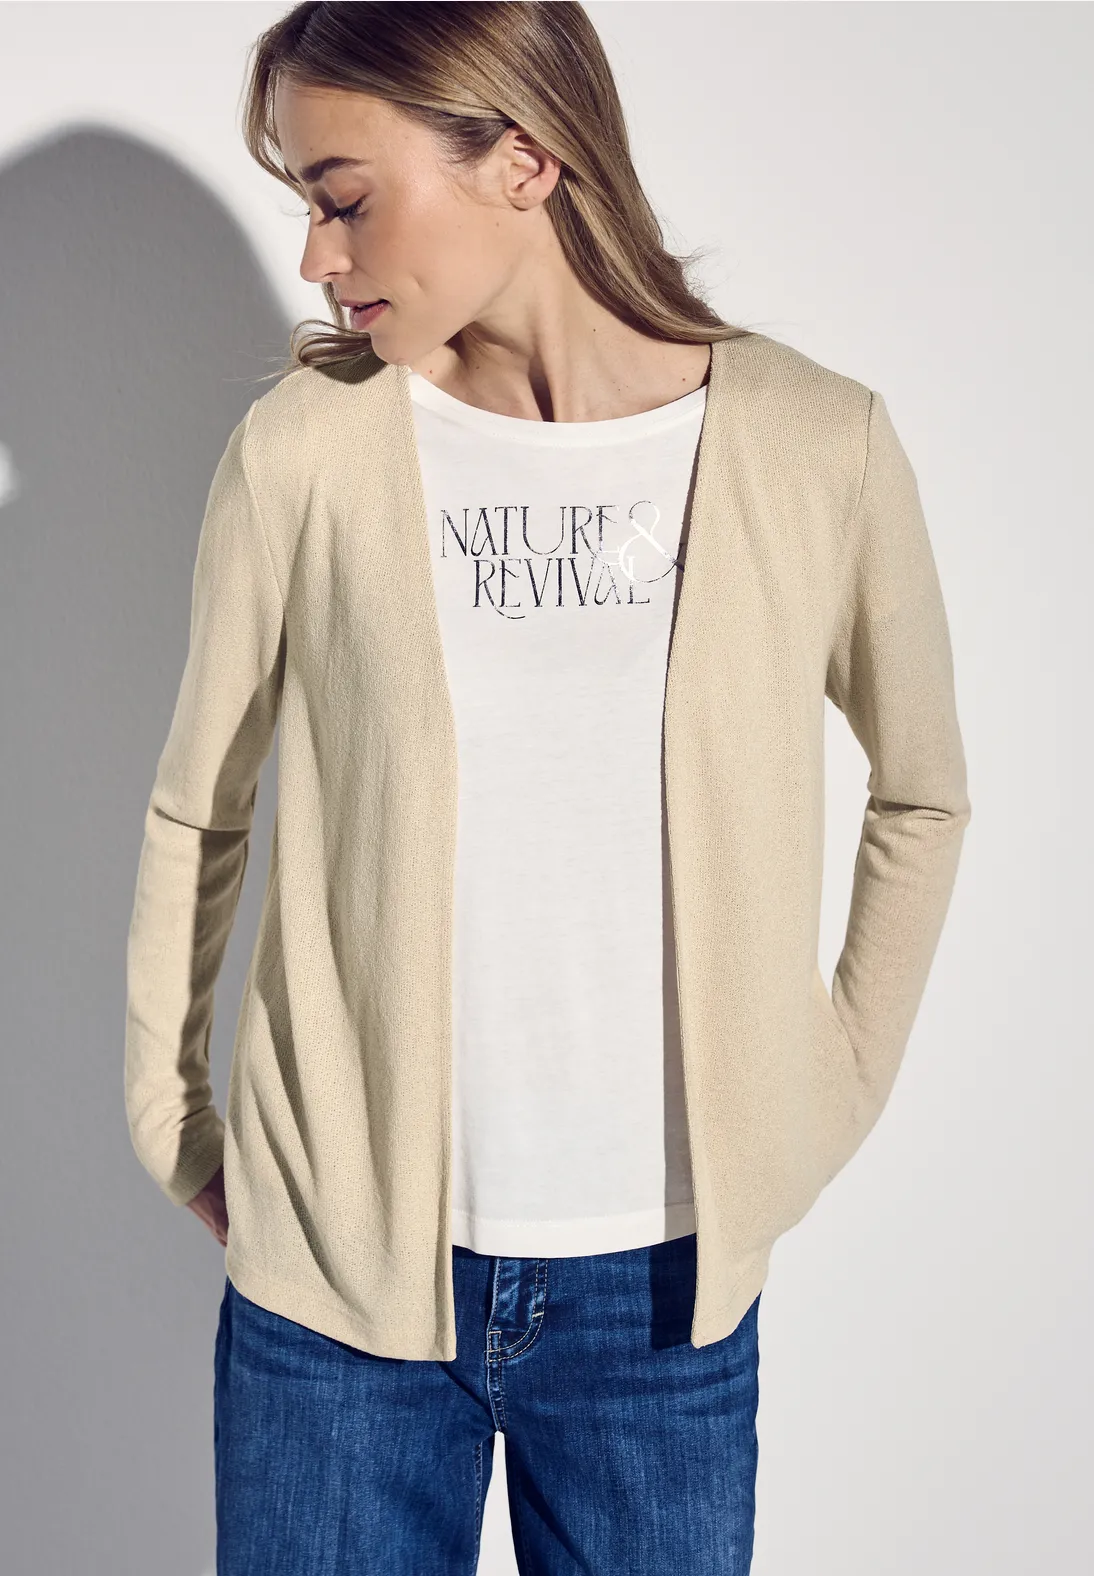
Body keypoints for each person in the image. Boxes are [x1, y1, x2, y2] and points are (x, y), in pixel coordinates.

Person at [123, 3, 971, 1572]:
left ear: (522, 158)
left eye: (342, 196)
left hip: (662, 1294)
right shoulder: (308, 451)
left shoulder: (813, 444)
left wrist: (825, 1083)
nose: (314, 255)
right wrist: (172, 1115)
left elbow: (920, 793)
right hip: (338, 1292)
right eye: (303, 204)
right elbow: (201, 803)